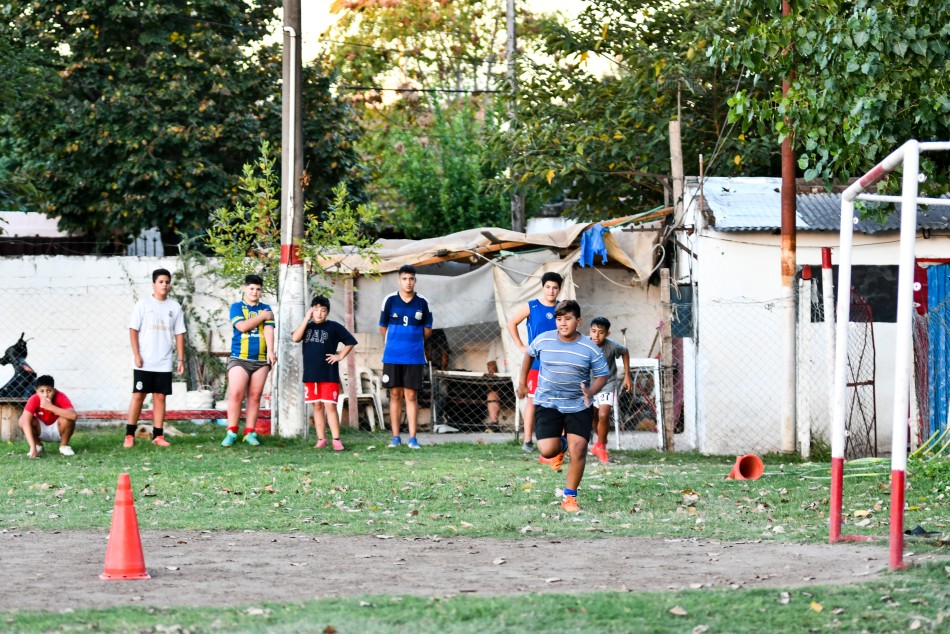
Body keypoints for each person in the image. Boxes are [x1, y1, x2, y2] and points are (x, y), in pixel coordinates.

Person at [517, 300, 609, 513]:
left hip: (578, 405)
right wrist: (522, 382)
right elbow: (529, 355)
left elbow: (602, 375)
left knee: (579, 449)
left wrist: (592, 391)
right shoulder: (544, 340)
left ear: (578, 321)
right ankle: (562, 445)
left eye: (568, 319)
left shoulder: (589, 348)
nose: (563, 324)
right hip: (548, 403)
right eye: (559, 319)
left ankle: (569, 497)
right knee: (547, 450)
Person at [125, 268, 186, 448]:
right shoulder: (143, 305)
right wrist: (137, 354)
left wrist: (180, 359)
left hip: (164, 361)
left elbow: (180, 333)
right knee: (139, 396)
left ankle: (158, 435)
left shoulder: (174, 307)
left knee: (160, 397)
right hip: (144, 361)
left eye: (167, 282)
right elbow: (133, 330)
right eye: (161, 282)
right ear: (154, 284)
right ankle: (129, 434)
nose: (164, 285)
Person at [291, 295, 357, 451]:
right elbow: (295, 338)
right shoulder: (307, 326)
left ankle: (336, 440)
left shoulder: (333, 326)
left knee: (330, 406)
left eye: (323, 310)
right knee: (317, 406)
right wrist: (306, 319)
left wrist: (340, 356)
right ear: (311, 310)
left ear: (327, 312)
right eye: (316, 310)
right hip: (311, 374)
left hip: (328, 374)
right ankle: (321, 439)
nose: (319, 313)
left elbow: (350, 341)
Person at [506, 271, 563, 452]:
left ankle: (557, 440)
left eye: (555, 288)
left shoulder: (563, 308)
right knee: (533, 401)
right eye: (548, 287)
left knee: (558, 402)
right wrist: (521, 346)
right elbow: (511, 323)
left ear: (559, 290)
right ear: (542, 287)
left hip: (557, 364)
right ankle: (528, 441)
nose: (551, 291)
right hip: (536, 364)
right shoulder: (532, 306)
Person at [379, 264, 432, 449]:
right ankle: (395, 437)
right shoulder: (389, 300)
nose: (408, 282)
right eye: (404, 279)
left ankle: (412, 438)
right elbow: (382, 327)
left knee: (411, 395)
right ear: (399, 280)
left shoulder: (422, 302)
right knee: (395, 395)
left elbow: (427, 329)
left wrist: (412, 342)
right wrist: (395, 342)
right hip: (393, 355)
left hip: (414, 356)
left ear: (415, 280)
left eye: (411, 279)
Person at [221, 274, 276, 448]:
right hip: (240, 358)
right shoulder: (237, 307)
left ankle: (250, 432)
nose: (254, 292)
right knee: (236, 393)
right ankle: (231, 432)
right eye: (251, 288)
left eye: (258, 289)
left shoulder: (266, 308)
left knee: (255, 396)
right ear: (244, 288)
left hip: (260, 360)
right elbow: (242, 326)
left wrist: (271, 351)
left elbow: (268, 330)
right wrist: (262, 316)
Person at [587, 317, 633, 464]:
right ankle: (598, 443)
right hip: (590, 386)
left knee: (604, 413)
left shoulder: (612, 346)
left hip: (607, 383)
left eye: (601, 332)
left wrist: (627, 376)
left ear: (607, 334)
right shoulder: (584, 344)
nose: (596, 335)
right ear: (590, 331)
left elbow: (625, 352)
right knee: (593, 415)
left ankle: (601, 446)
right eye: (594, 331)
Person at [19, 375, 78, 458]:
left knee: (67, 418)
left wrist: (50, 407)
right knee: (22, 420)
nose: (45, 395)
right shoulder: (34, 399)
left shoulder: (60, 396)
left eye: (49, 391)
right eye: (41, 391)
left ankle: (64, 446)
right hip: (41, 429)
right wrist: (32, 447)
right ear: (36, 392)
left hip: (57, 428)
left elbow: (73, 416)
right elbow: (25, 421)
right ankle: (37, 446)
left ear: (54, 390)